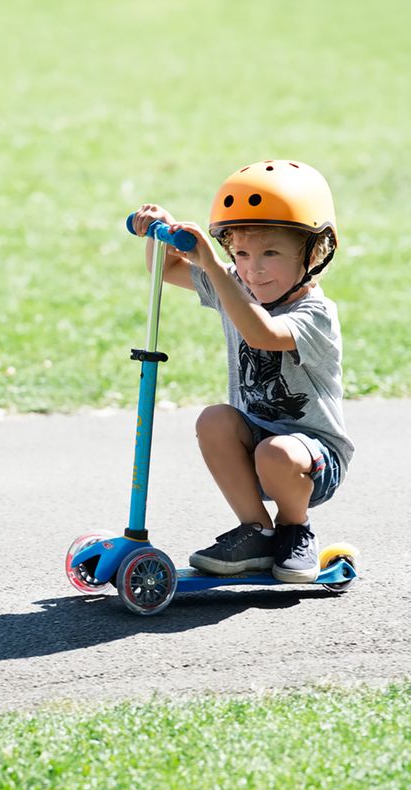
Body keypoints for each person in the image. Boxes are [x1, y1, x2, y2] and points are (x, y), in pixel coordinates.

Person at [129, 159, 354, 583]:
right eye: (242, 253)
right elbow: (169, 268)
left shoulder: (315, 313)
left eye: (271, 253)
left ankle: (294, 529)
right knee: (214, 419)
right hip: (255, 443)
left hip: (313, 460)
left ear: (315, 252)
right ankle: (257, 531)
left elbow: (262, 333)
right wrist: (163, 232)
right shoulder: (236, 283)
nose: (253, 269)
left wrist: (215, 267)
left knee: (277, 451)